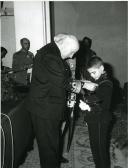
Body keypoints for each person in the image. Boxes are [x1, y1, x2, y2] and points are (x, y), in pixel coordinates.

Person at [25, 33, 98, 168]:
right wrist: (84, 85)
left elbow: (57, 78)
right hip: (44, 109)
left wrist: (81, 81)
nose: (71, 56)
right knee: (49, 148)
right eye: (71, 52)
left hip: (45, 106)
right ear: (65, 46)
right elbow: (63, 82)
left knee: (52, 143)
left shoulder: (51, 51)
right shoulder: (51, 57)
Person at [79, 56, 113, 168]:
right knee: (94, 148)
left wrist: (87, 105)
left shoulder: (107, 83)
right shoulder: (97, 80)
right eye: (90, 73)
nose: (92, 75)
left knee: (100, 150)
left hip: (101, 119)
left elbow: (100, 100)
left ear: (102, 68)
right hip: (94, 118)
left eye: (94, 72)